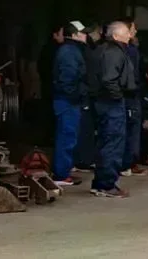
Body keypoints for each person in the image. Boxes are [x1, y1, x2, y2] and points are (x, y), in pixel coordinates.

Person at [87, 20, 136, 198]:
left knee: (105, 142)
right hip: (111, 103)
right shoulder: (114, 52)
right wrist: (118, 97)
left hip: (103, 102)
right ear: (115, 36)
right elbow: (109, 80)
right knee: (113, 143)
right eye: (126, 33)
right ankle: (107, 184)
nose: (130, 35)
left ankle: (100, 183)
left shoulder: (102, 50)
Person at [51, 21, 88, 187]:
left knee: (68, 136)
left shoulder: (71, 50)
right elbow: (67, 79)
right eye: (82, 32)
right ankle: (61, 174)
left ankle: (63, 171)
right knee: (66, 137)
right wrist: (75, 96)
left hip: (68, 100)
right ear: (73, 35)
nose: (86, 35)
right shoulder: (69, 52)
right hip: (67, 101)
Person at [73, 25, 103, 172]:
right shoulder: (80, 51)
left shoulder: (87, 50)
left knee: (87, 129)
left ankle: (84, 159)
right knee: (83, 129)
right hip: (84, 95)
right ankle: (82, 161)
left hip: (88, 95)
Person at [120, 22, 147, 177]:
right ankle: (128, 163)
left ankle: (128, 162)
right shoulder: (129, 51)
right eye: (132, 28)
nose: (135, 31)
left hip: (125, 94)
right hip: (129, 95)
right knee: (131, 130)